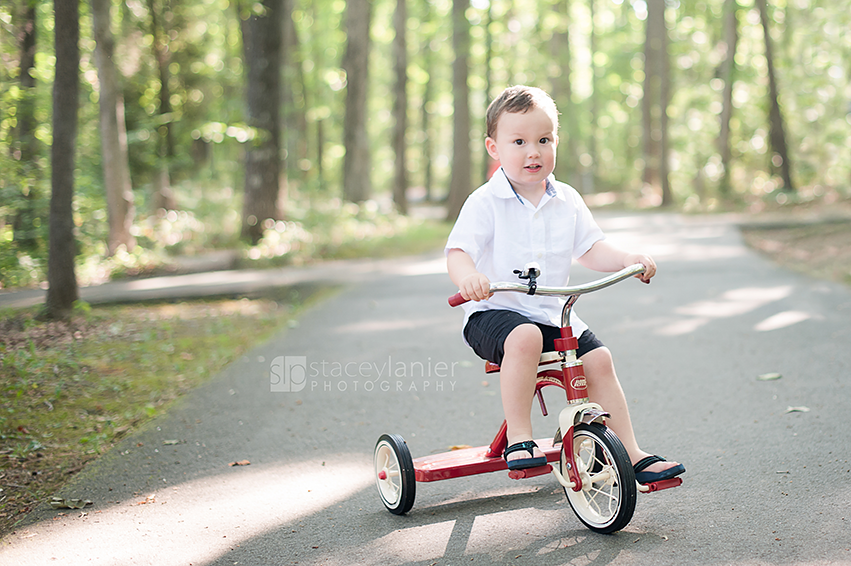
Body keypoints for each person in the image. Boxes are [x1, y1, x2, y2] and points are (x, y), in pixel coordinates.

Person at [445, 85, 684, 483]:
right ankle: (520, 437)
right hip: (493, 315)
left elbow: (591, 249)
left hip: (552, 314)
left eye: (543, 140)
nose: (532, 152)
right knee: (523, 338)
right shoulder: (484, 202)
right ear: (494, 148)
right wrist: (469, 277)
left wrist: (626, 259)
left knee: (598, 360)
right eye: (518, 142)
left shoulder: (567, 199)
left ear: (556, 141)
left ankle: (630, 450)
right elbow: (458, 252)